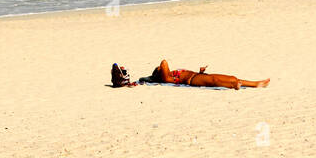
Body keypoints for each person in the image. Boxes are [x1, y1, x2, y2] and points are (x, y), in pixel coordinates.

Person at [111, 61, 269, 90]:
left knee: (232, 76)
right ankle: (233, 86)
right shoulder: (167, 78)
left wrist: (199, 70)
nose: (161, 68)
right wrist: (158, 72)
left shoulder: (167, 76)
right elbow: (164, 62)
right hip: (193, 80)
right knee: (215, 81)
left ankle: (256, 84)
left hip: (198, 75)